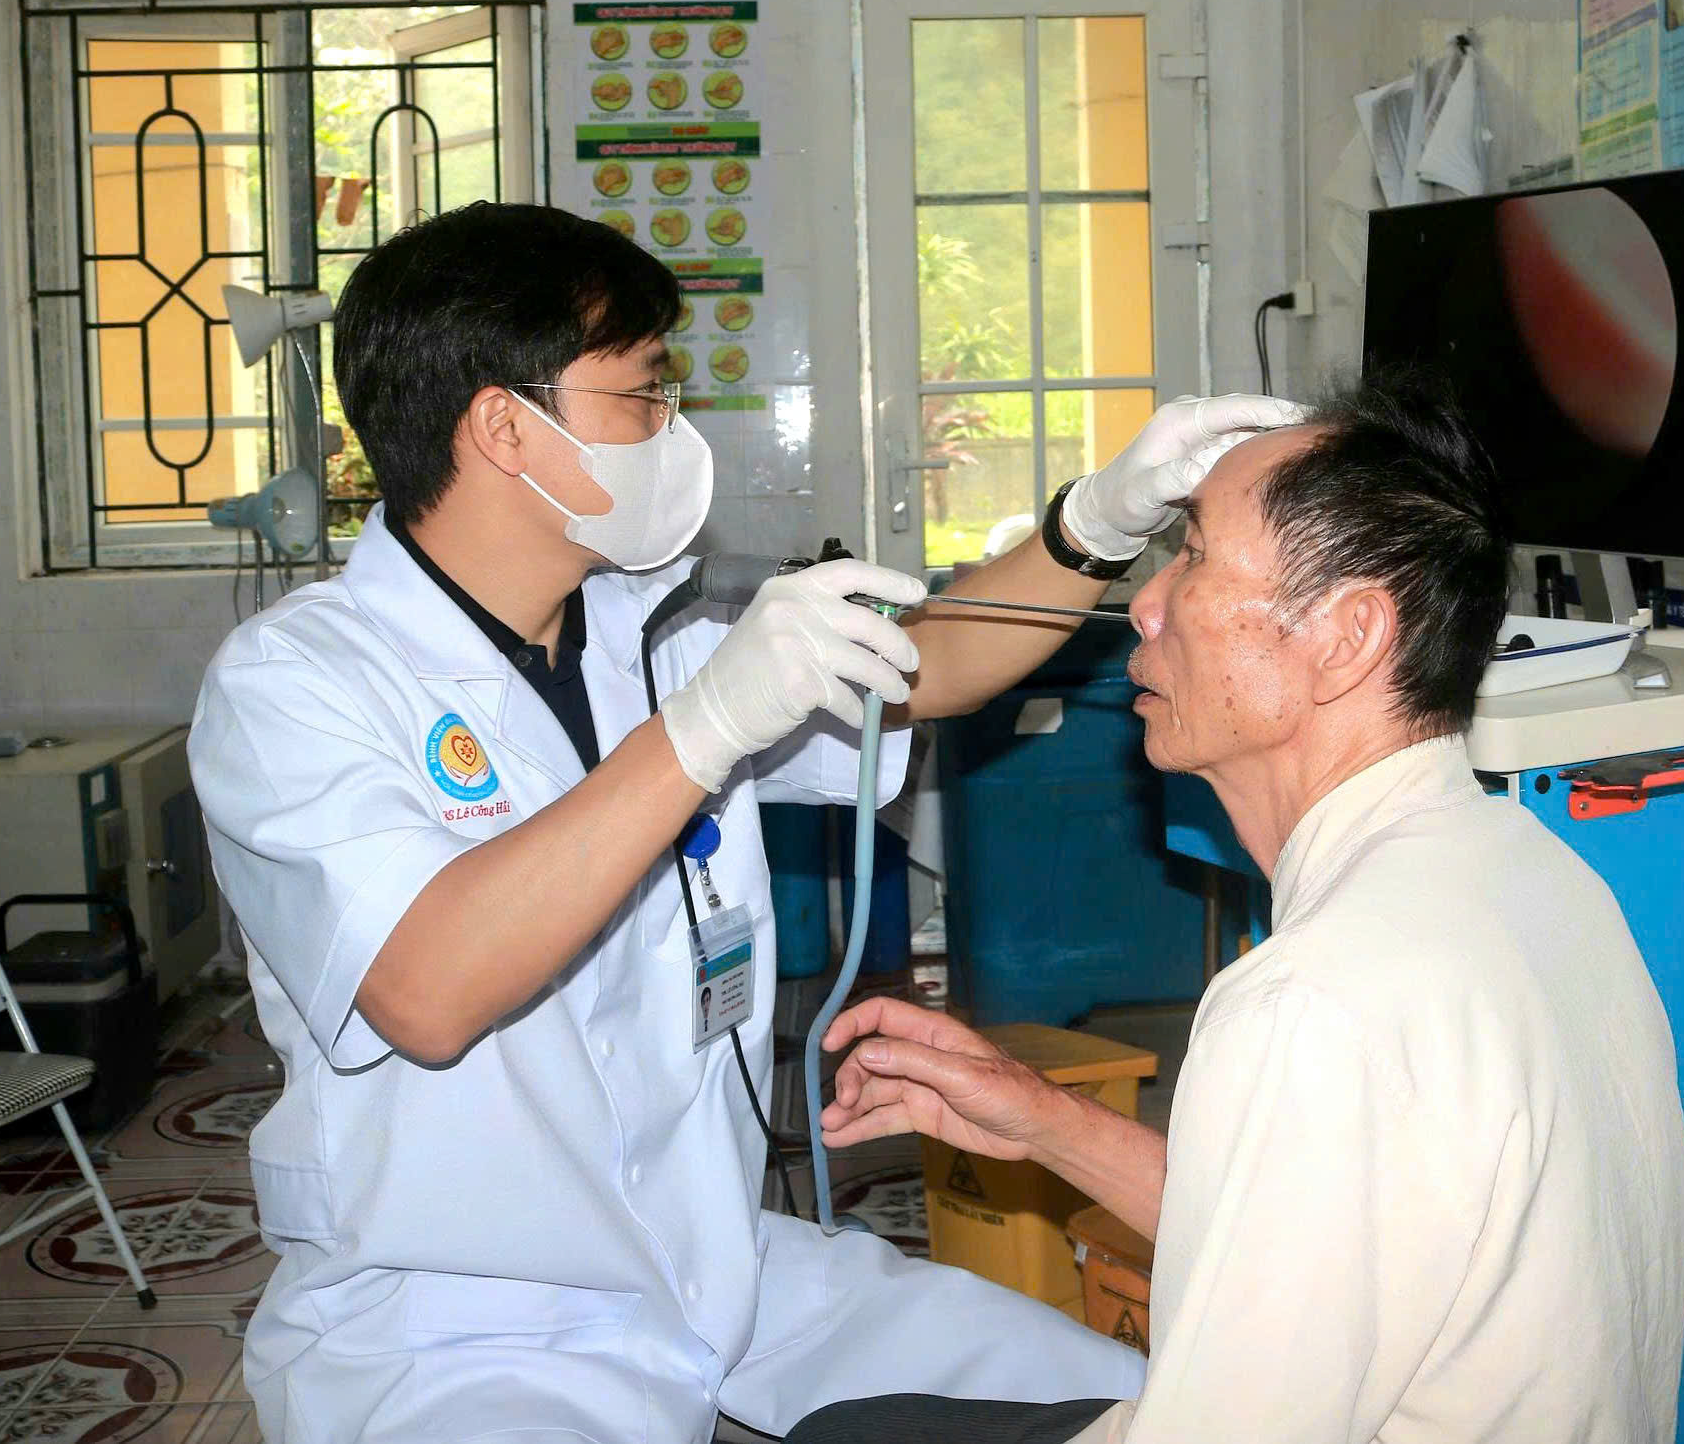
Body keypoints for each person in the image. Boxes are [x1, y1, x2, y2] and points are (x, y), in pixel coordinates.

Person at [188, 201, 1299, 1443]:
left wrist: (1091, 523)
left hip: (725, 1265)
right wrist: (705, 727)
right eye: (642, 395)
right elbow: (424, 986)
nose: (672, 430)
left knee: (1146, 1409)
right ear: (505, 426)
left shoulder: (649, 626)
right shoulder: (296, 683)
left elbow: (925, 666)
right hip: (459, 1322)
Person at [794, 375, 1684, 1444]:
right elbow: (1319, 1235)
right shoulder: (1536, 874)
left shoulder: (1313, 1004)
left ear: (1346, 638)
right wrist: (1037, 1116)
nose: (1144, 603)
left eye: (1192, 556)